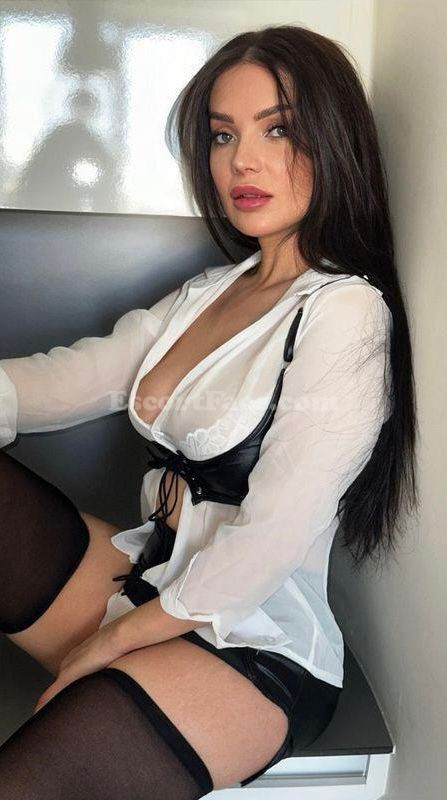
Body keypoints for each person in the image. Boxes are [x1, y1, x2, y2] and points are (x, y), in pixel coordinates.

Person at [0, 24, 417, 798]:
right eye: (222, 135)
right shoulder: (209, 292)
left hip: (249, 641)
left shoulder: (343, 311)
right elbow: (64, 382)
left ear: (334, 141)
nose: (240, 162)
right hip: (145, 577)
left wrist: (111, 642)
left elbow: (272, 537)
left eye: (276, 129)